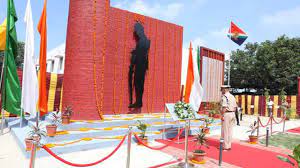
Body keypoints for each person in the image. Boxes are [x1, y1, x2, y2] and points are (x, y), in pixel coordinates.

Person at [220, 85, 237, 150]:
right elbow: (235, 107)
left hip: (226, 114)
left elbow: (224, 107)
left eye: (222, 89)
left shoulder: (225, 97)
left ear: (225, 89)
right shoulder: (232, 96)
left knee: (225, 130)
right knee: (230, 130)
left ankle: (225, 146)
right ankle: (229, 145)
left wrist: (222, 115)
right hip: (232, 113)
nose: (221, 90)